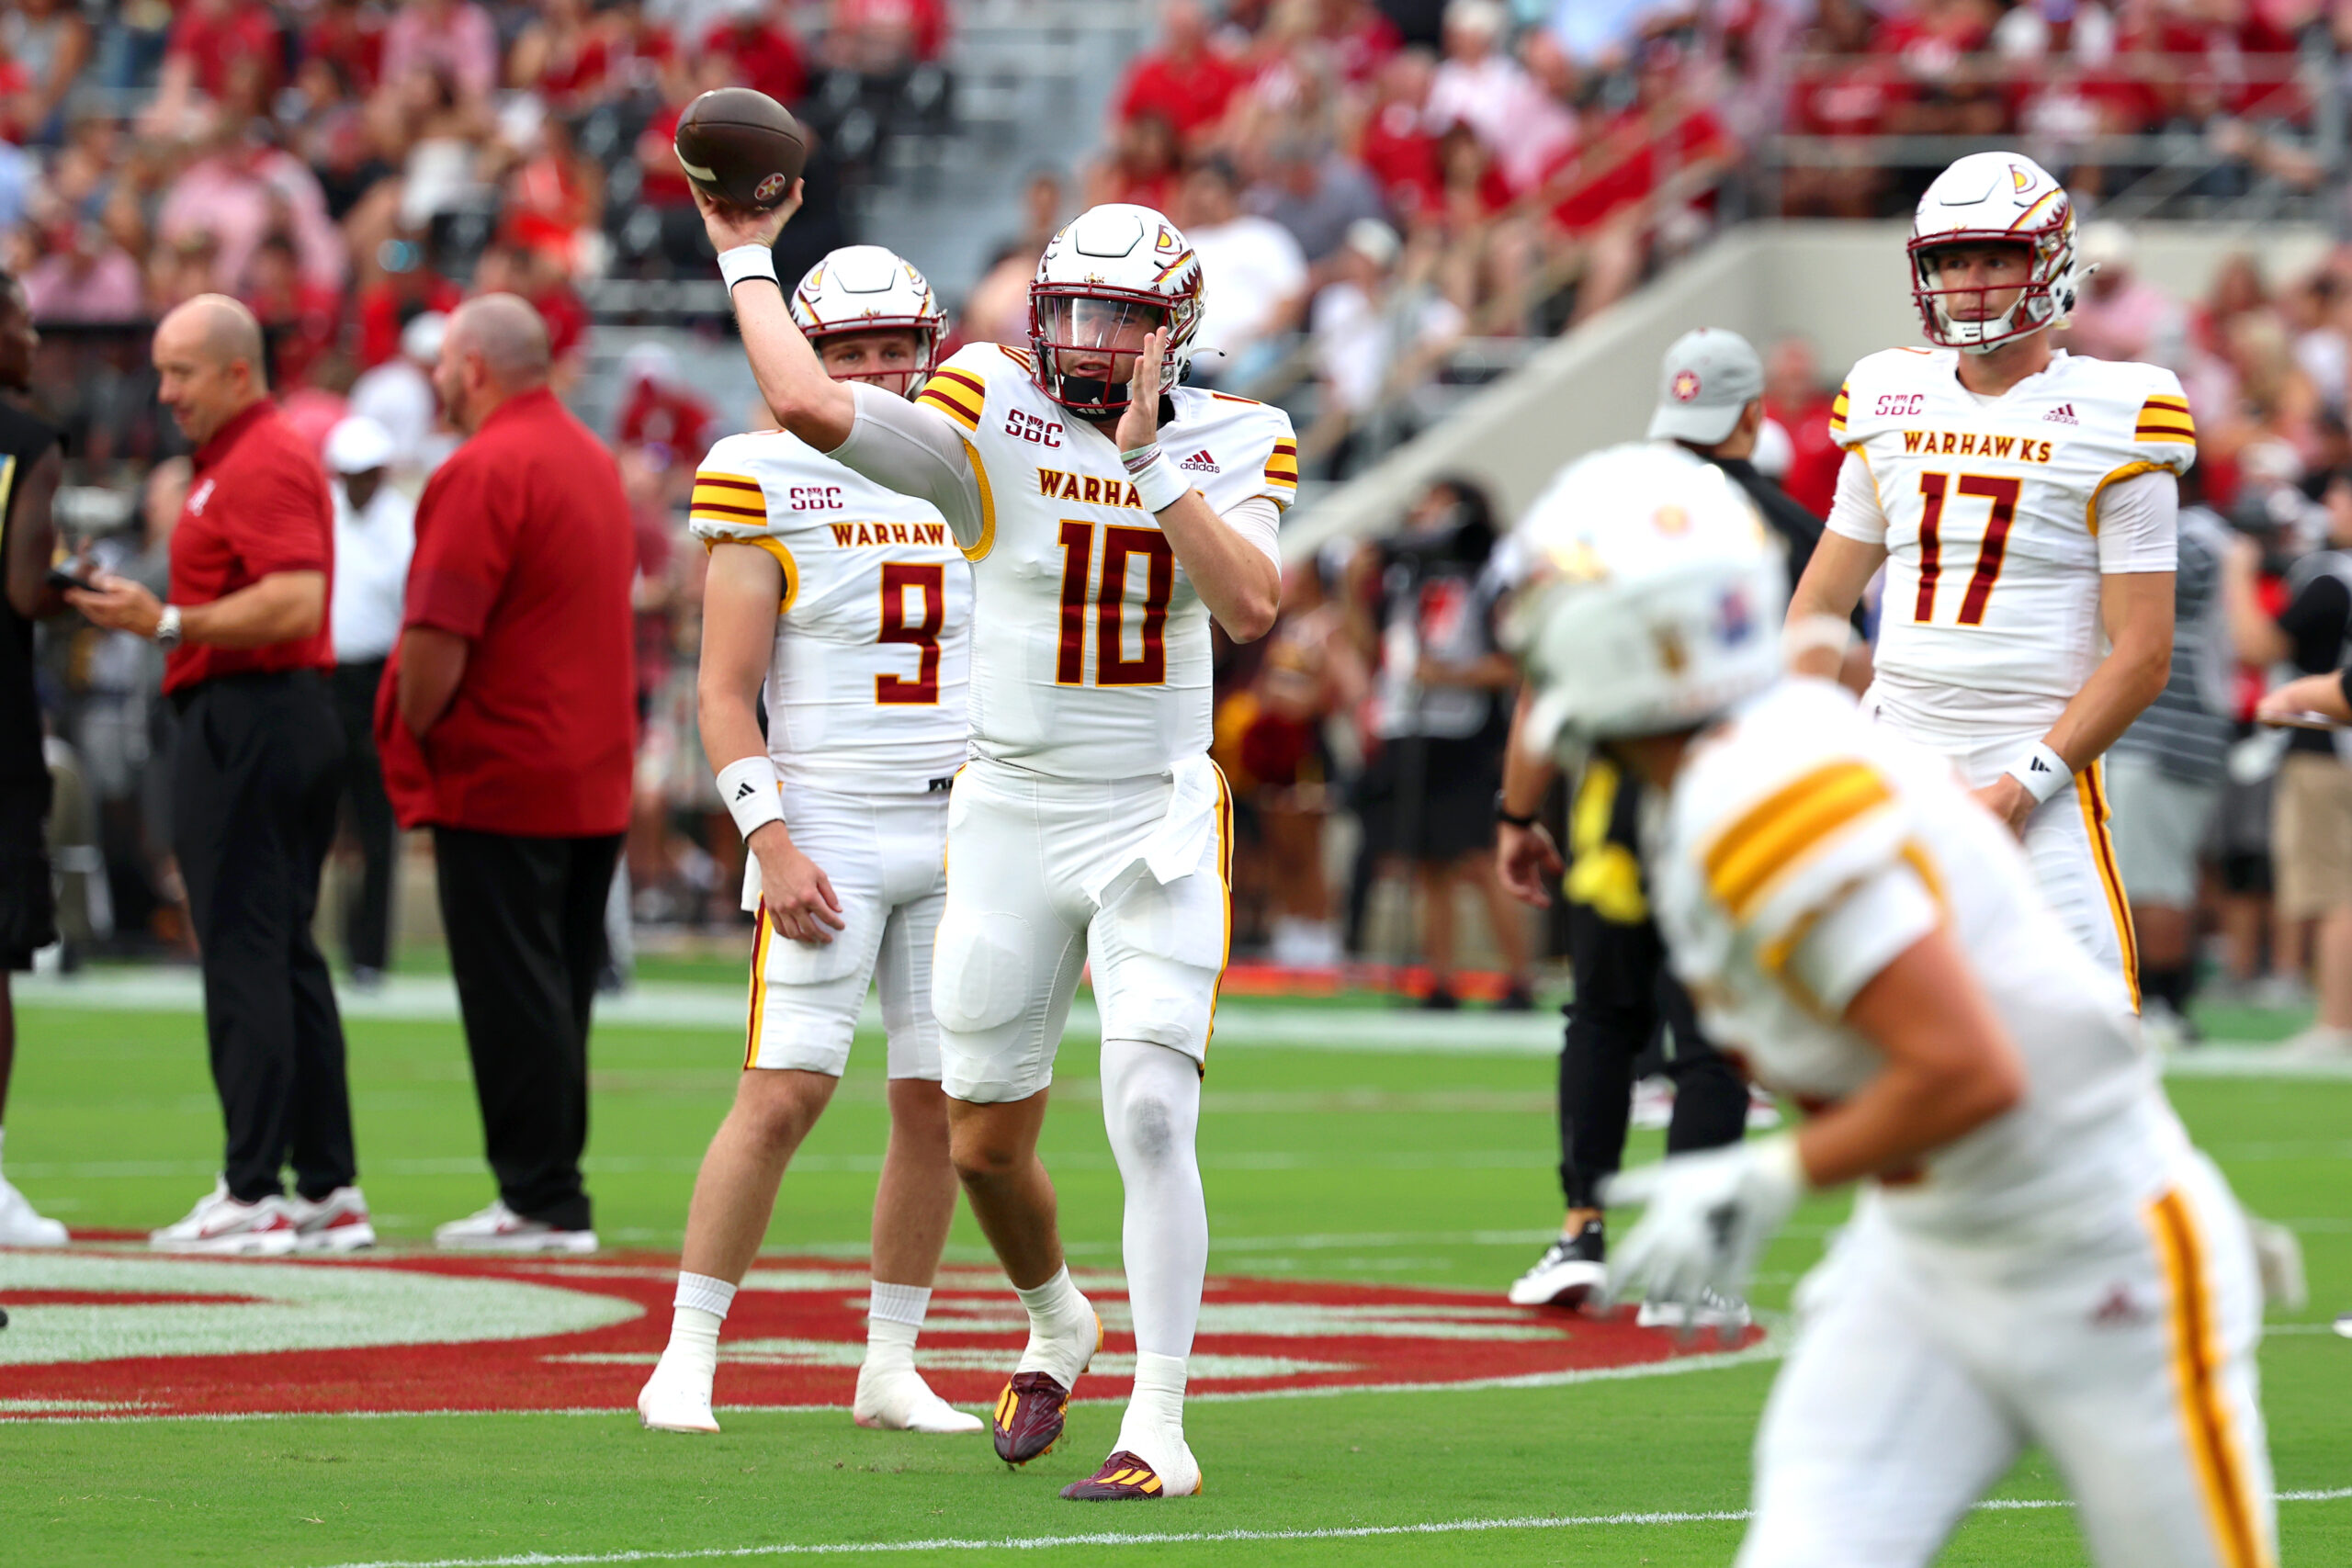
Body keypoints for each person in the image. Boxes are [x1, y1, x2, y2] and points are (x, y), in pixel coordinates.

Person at [1512, 441, 2276, 1568]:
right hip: (1925, 1250)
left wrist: (1764, 1176)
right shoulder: (1747, 747)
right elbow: (1816, 639)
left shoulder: (1762, 806)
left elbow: (1967, 1070)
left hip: (2094, 1243)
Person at [700, 187, 1291, 1501]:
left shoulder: (1243, 435)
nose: (1085, 341)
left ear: (1174, 334)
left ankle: (1160, 1423)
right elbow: (805, 407)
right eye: (1070, 311)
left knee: (1147, 1104)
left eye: (1118, 321)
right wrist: (746, 253)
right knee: (979, 1145)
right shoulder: (987, 405)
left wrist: (1149, 464)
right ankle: (1057, 1317)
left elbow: (1250, 602)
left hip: (1151, 807)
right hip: (1011, 806)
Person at [635, 245, 982, 1439]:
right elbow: (724, 692)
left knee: (938, 1101)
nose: (882, 369)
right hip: (827, 813)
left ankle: (890, 1361)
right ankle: (686, 1351)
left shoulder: (973, 462)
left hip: (960, 825)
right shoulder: (765, 470)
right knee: (783, 1092)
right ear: (814, 359)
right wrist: (771, 841)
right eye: (854, 351)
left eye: (898, 347)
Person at [1784, 152, 2190, 1010]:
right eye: (1949, 260)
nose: (1968, 284)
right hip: (1894, 755)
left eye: (1994, 258)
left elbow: (2144, 651)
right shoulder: (1889, 392)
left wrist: (2022, 786)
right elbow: (1821, 604)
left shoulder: (2125, 411)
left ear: (2048, 262)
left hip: (2036, 764)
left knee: (2091, 1045)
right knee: (1880, 1045)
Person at [1498, 328, 1832, 1318]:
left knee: (1601, 1015)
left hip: (1608, 805)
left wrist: (1518, 809)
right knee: (1712, 1040)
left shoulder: (1610, 514)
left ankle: (1578, 1236)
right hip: (1731, 807)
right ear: (1749, 416)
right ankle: (1684, 1268)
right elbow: (1833, 677)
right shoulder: (1792, 531)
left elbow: (1540, 682)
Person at [71, 295, 370, 1256]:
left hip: (253, 715)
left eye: (181, 372)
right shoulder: (244, 458)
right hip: (269, 714)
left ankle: (254, 1191)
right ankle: (325, 1187)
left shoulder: (263, 457)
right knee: (282, 951)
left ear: (238, 371)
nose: (165, 392)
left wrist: (165, 623)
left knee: (244, 949)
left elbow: (293, 600)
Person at [376, 294, 635, 1252]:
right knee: (558, 990)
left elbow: (438, 639)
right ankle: (548, 1187)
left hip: (504, 771)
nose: (437, 379)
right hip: (590, 772)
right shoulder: (589, 458)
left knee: (510, 991)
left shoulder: (483, 466)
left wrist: (411, 727)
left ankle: (539, 1196)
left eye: (446, 362)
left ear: (474, 367)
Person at [1348, 477, 1532, 1009]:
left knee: (1477, 858)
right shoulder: (1405, 576)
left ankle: (1518, 979)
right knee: (1428, 864)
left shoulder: (1490, 577)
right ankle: (1440, 978)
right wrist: (1353, 590)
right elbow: (1374, 652)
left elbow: (1514, 665)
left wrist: (1450, 676)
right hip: (1408, 726)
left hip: (1465, 733)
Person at [2222, 471, 2352, 1056]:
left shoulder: (2330, 578)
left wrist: (2238, 572)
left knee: (2333, 890)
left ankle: (2336, 1023)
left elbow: (2258, 648)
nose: (2330, 506)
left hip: (2326, 748)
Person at [2107, 491, 2234, 1050]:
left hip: (2164, 741)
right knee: (2159, 876)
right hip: (2170, 739)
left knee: (2153, 880)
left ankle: (2162, 1003)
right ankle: (2161, 1001)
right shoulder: (2206, 536)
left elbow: (2133, 587)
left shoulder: (2197, 542)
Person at [0, 270, 69, 1247]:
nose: (31, 329)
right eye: (15, 314)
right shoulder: (24, 440)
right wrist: (81, 584)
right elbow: (25, 590)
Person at [322, 415, 413, 987]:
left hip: (379, 679)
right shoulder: (321, 514)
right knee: (314, 815)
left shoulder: (401, 522)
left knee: (378, 822)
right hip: (325, 677)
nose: (361, 484)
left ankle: (369, 952)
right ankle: (310, 941)